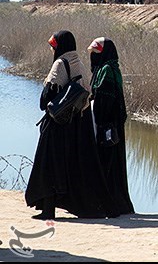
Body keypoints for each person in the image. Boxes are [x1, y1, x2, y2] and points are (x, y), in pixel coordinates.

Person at [25, 30, 109, 220]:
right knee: (71, 164)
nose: (52, 50)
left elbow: (46, 98)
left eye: (53, 46)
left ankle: (48, 210)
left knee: (49, 163)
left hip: (58, 124)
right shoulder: (79, 63)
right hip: (78, 123)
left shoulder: (60, 64)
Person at [87, 37, 135, 217]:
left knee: (108, 164)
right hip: (108, 124)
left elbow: (105, 100)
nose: (93, 56)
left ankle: (110, 204)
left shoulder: (107, 71)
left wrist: (96, 113)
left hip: (108, 126)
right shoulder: (106, 69)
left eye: (96, 53)